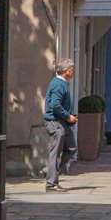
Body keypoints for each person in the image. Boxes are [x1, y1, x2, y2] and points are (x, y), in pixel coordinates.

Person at [44, 58, 78, 191]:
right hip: (55, 122)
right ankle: (51, 183)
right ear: (65, 71)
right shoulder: (58, 84)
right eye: (71, 70)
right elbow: (55, 105)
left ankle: (52, 171)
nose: (73, 72)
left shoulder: (62, 83)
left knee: (71, 148)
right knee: (55, 153)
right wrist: (67, 116)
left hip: (63, 122)